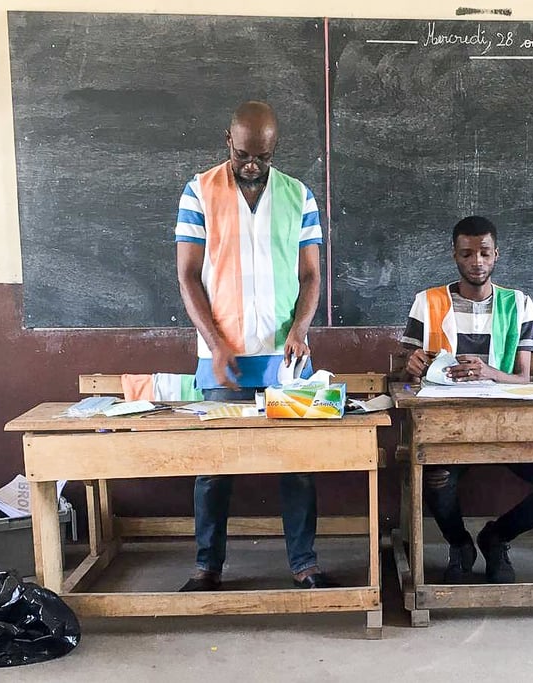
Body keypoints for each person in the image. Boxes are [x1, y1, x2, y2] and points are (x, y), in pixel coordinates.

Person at [173, 101, 335, 591]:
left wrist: (300, 330)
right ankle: (208, 567)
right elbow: (187, 276)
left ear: (274, 149)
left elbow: (310, 276)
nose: (251, 165)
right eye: (243, 153)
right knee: (214, 469)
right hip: (222, 359)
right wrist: (216, 344)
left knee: (297, 466)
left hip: (286, 359)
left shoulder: (299, 195)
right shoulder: (198, 191)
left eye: (261, 157)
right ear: (228, 139)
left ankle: (303, 565)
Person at [401, 215, 533, 584]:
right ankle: (459, 543)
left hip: (509, 428)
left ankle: (497, 537)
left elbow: (523, 377)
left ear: (496, 254)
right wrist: (412, 363)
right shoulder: (428, 302)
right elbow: (410, 371)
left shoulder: (519, 304)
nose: (476, 262)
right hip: (449, 428)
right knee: (435, 477)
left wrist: (488, 372)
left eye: (484, 253)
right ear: (454, 255)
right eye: (467, 254)